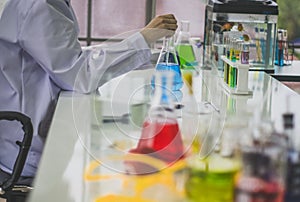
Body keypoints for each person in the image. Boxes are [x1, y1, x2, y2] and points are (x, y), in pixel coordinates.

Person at [0, 0, 177, 179]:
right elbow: (80, 75)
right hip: (28, 151)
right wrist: (143, 39)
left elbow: (66, 55)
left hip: (34, 137)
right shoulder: (39, 5)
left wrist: (147, 55)